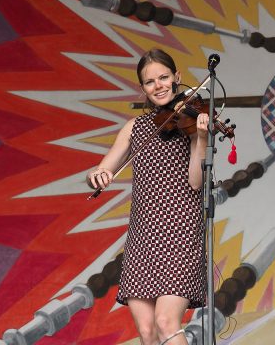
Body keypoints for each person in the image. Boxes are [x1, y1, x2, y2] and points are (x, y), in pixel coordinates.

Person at [87, 48, 208, 345]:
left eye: (164, 77)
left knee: (167, 323)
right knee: (147, 333)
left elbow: (195, 183)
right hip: (143, 236)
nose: (159, 86)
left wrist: (201, 138)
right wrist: (97, 174)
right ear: (142, 88)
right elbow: (104, 166)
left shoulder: (190, 124)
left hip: (180, 232)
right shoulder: (134, 128)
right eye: (150, 82)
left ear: (177, 77)